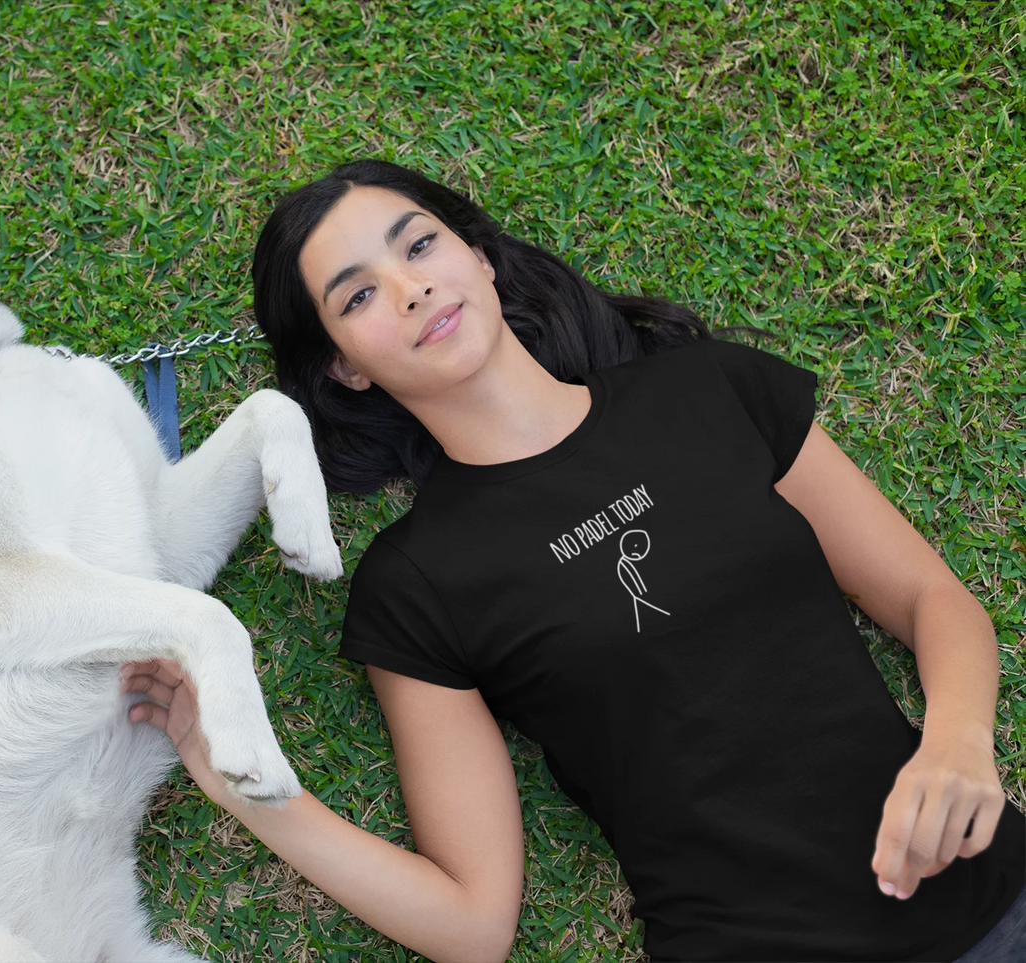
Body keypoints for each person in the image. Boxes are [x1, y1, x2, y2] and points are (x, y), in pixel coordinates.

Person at [122, 160, 1026, 961]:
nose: (407, 290)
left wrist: (955, 740)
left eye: (420, 246)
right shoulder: (415, 586)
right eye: (356, 297)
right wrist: (234, 775)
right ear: (344, 369)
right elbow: (474, 924)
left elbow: (925, 595)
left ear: (478, 255)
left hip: (997, 893)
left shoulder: (708, 387)